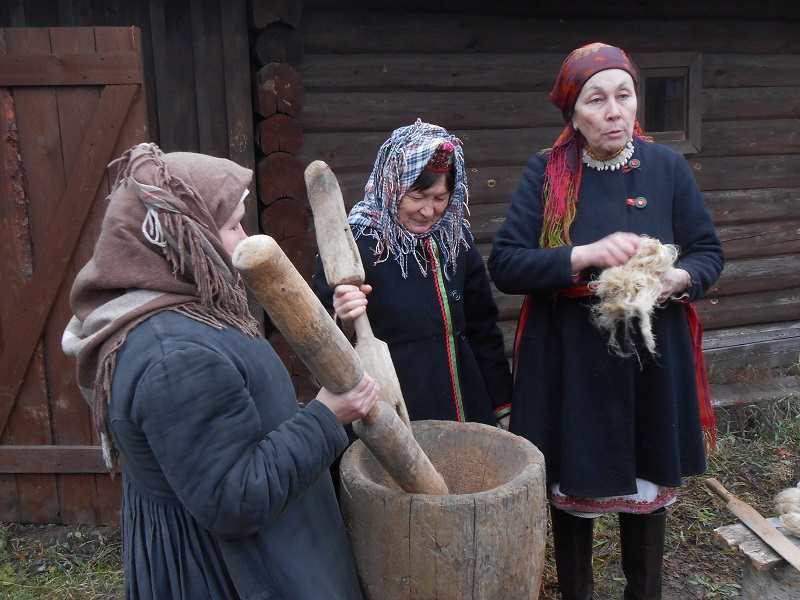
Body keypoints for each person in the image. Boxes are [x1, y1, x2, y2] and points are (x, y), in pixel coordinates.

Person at [62, 143, 378, 600]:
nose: (243, 237)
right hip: (231, 573)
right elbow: (235, 499)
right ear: (178, 237)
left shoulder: (186, 308)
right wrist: (326, 417)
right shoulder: (173, 358)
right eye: (232, 226)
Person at [488, 43, 724, 600]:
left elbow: (707, 253)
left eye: (624, 96)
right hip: (570, 359)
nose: (614, 111)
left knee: (646, 486)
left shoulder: (666, 167)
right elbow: (507, 265)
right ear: (572, 111)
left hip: (650, 358)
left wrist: (673, 279)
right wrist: (585, 253)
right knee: (573, 489)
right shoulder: (546, 174)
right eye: (596, 100)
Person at [313, 119, 512, 429]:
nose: (428, 211)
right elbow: (322, 343)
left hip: (464, 408)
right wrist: (344, 317)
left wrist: (503, 406)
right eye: (417, 197)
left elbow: (482, 332)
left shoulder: (455, 241)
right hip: (391, 415)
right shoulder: (355, 245)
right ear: (392, 186)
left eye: (440, 198)